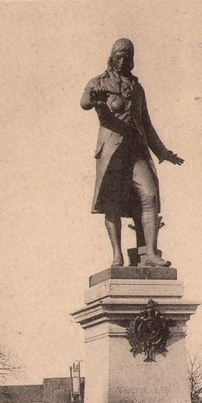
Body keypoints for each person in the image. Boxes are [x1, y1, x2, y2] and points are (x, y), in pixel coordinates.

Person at [81, 38, 184, 267]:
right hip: (112, 151)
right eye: (119, 56)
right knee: (112, 203)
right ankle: (117, 255)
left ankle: (151, 254)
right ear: (112, 57)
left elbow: (146, 123)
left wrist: (163, 152)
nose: (123, 60)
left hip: (136, 150)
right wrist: (94, 94)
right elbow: (84, 102)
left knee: (150, 196)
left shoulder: (137, 88)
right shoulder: (99, 81)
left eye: (127, 56)